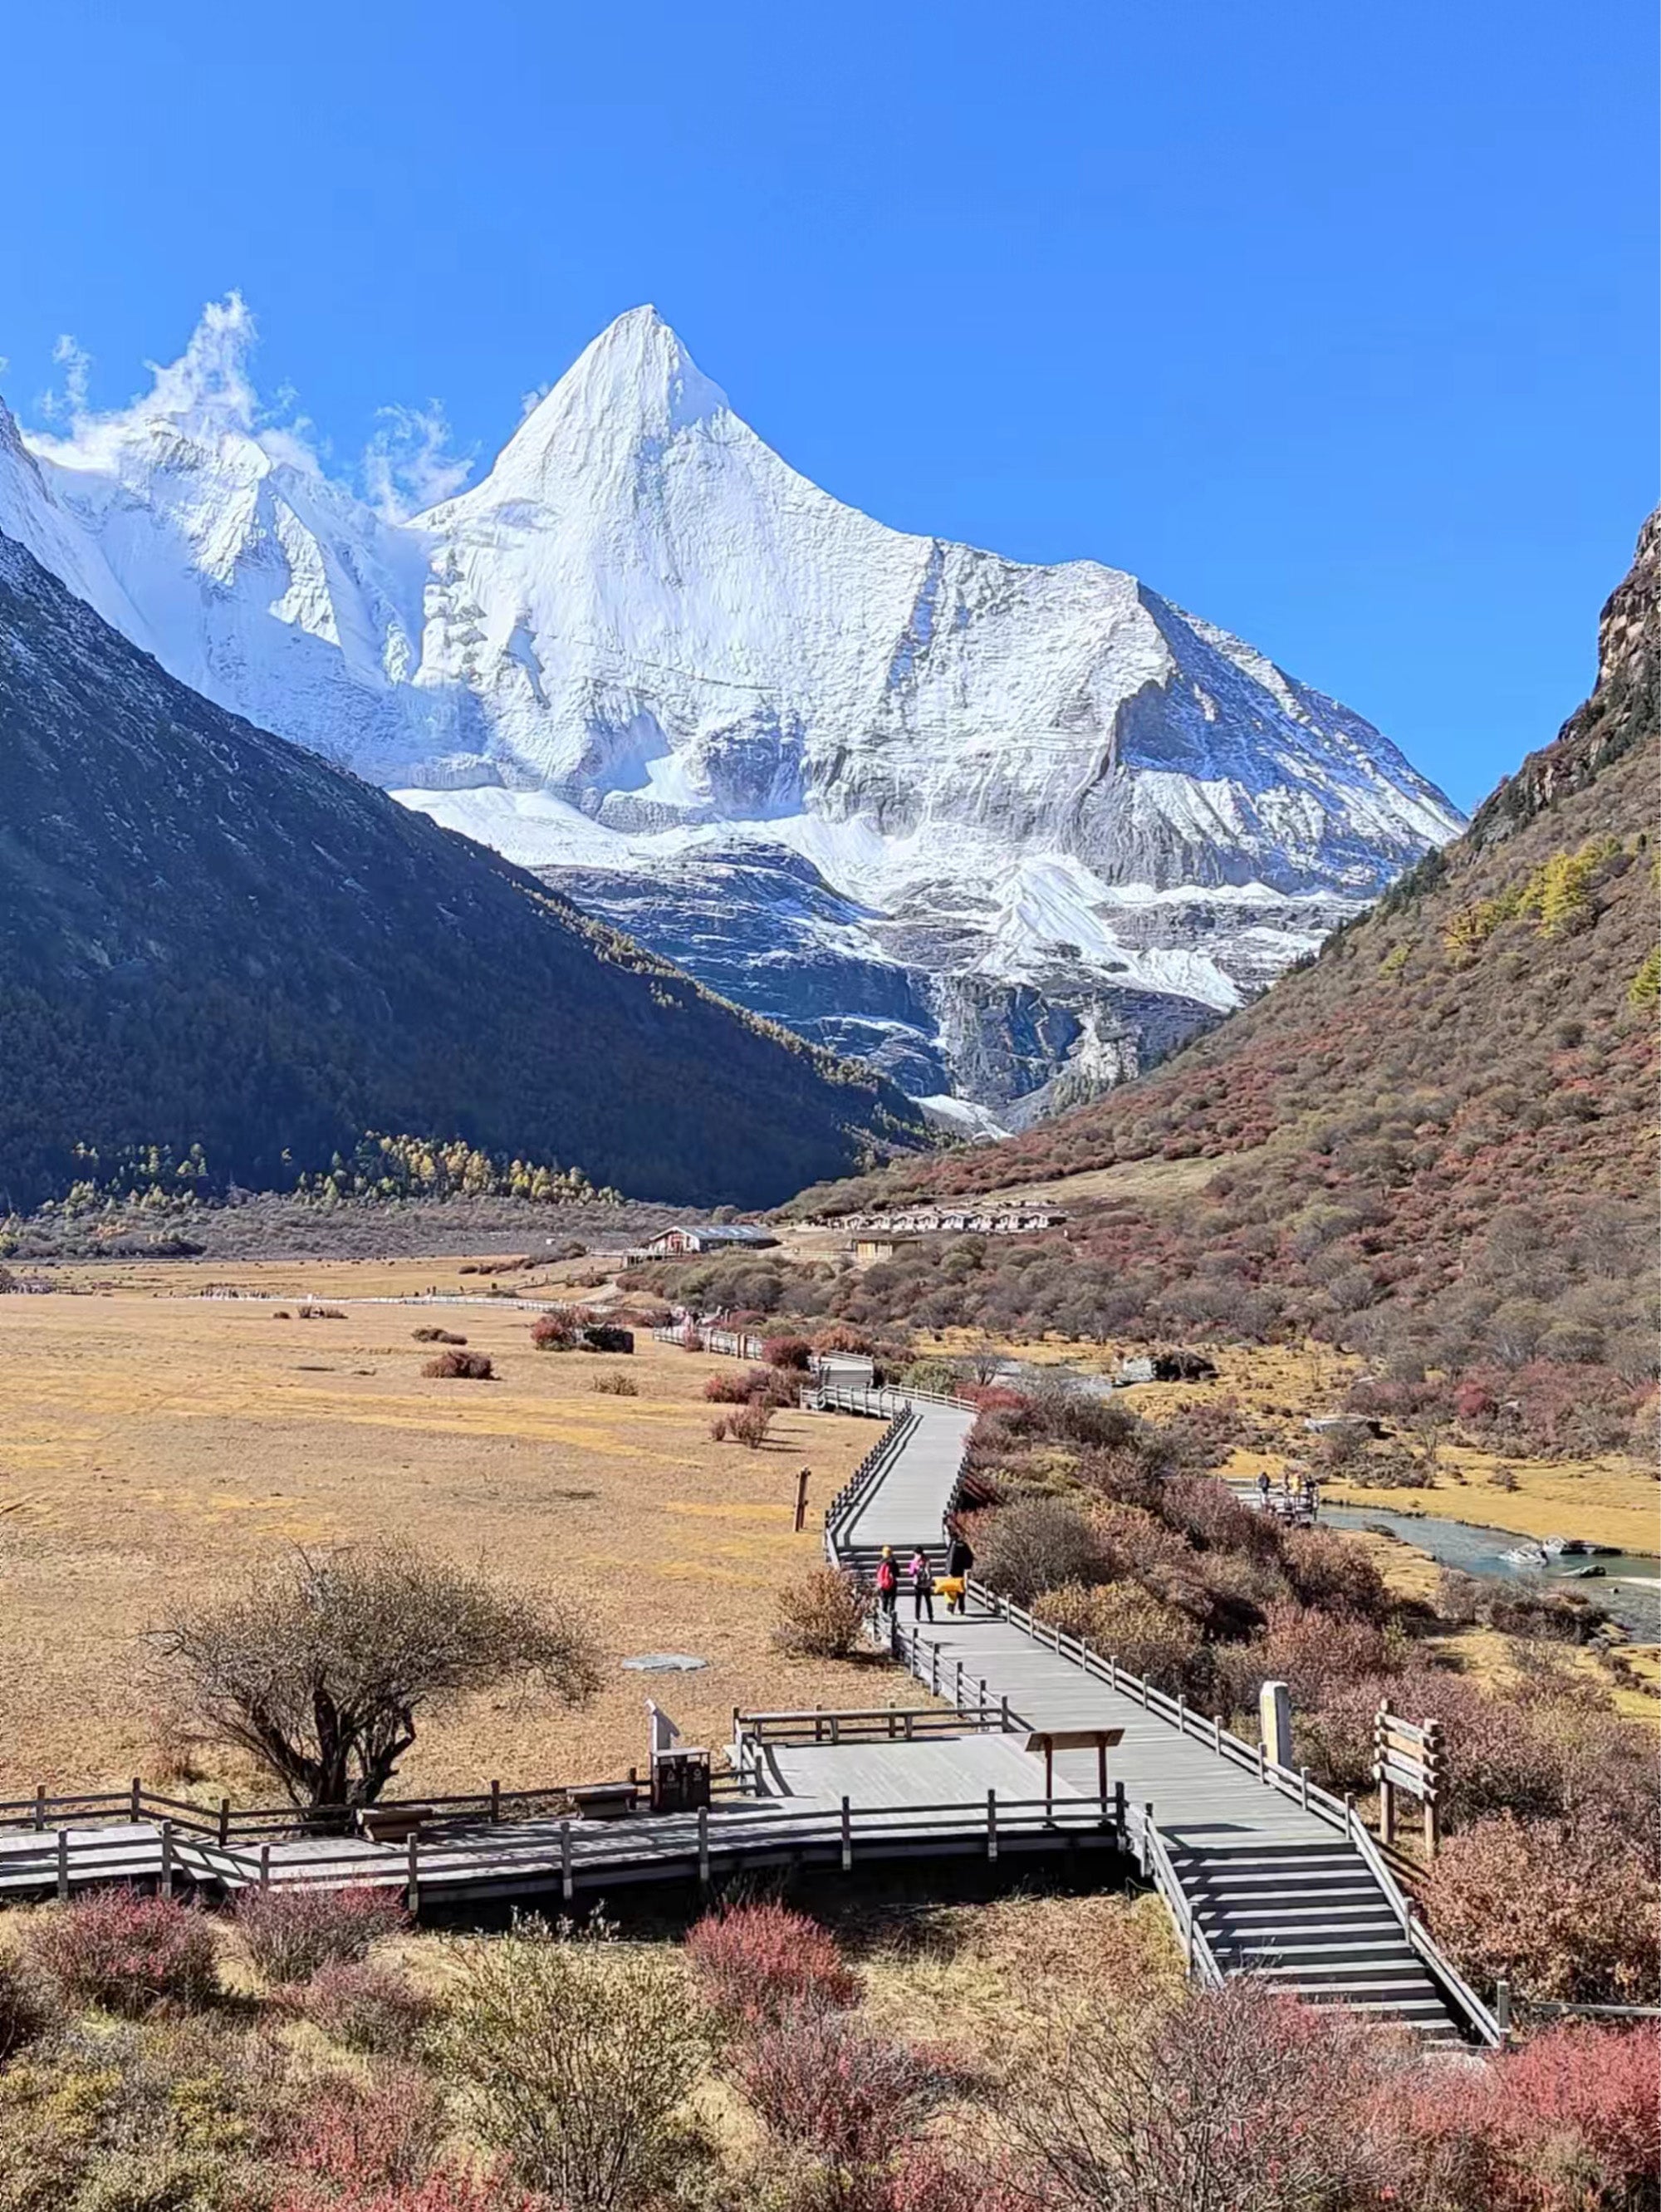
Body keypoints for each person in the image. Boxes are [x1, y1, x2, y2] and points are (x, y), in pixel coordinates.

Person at [945, 1528, 974, 1611]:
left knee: (952, 1589)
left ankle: (951, 1607)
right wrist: (967, 1566)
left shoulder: (954, 1545)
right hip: (961, 1570)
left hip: (953, 1571)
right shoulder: (963, 1545)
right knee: (960, 1588)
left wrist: (949, 1571)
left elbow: (951, 1559)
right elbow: (969, 1556)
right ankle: (961, 1607)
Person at [909, 1550, 935, 1622]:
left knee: (918, 1601)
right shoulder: (927, 1561)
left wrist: (914, 1565)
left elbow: (911, 1572)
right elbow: (930, 1571)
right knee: (928, 1601)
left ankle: (917, 1617)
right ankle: (930, 1616)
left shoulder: (914, 1561)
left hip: (918, 1584)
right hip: (927, 1584)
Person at [875, 1546, 898, 1625]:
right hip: (893, 1585)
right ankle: (891, 1617)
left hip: (883, 1585)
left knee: (884, 1601)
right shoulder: (893, 1563)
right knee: (892, 1602)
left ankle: (884, 1618)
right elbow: (898, 1574)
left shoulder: (880, 1563)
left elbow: (878, 1573)